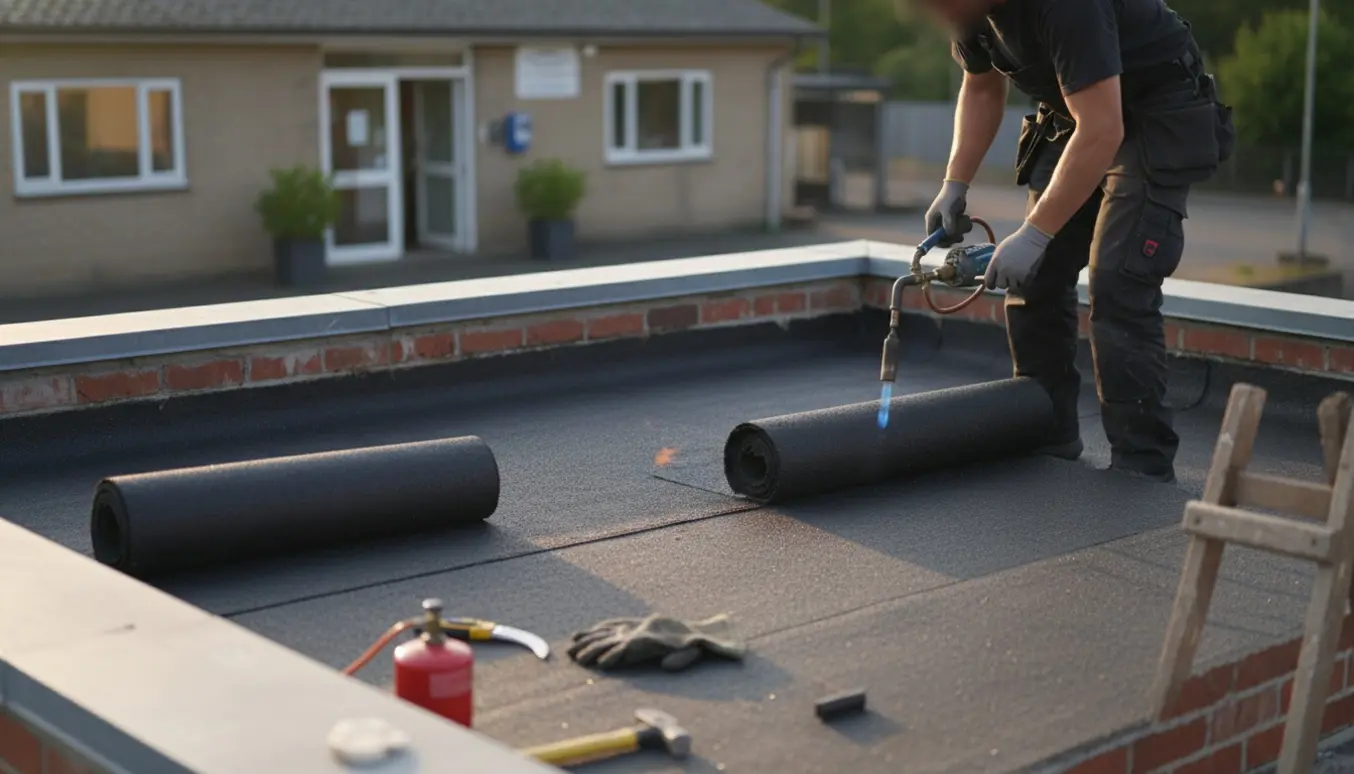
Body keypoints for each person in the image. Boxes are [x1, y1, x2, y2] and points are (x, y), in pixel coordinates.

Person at [917, 0, 1234, 482]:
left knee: (1118, 281)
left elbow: (1105, 128)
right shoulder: (970, 13)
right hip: (1080, 114)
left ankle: (1142, 464)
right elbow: (981, 86)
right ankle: (1047, 429)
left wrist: (1037, 232)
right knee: (1035, 277)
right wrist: (955, 182)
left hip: (1154, 109)